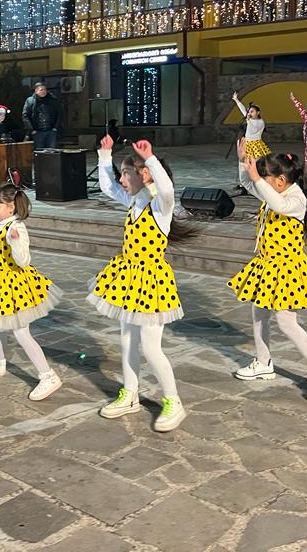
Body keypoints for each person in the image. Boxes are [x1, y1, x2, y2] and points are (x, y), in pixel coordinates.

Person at [88, 136, 186, 433]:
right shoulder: (135, 201)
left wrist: (151, 159)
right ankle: (130, 394)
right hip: (129, 278)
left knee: (151, 347)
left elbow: (167, 190)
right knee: (127, 339)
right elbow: (107, 187)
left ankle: (173, 401)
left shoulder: (160, 207)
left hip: (152, 283)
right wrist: (105, 155)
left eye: (126, 173)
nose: (121, 179)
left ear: (144, 175)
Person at [229, 142, 307, 401]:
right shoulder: (274, 191)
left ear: (280, 180)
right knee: (258, 313)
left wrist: (258, 181)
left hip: (287, 269)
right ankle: (263, 362)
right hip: (268, 265)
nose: (261, 183)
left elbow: (278, 204)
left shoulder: (295, 199)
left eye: (265, 178)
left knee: (287, 322)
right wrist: (243, 162)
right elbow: (248, 184)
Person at [0, 183, 62, 401]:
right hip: (2, 283)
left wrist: (14, 241)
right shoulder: (3, 226)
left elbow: (23, 260)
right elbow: (2, 257)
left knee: (21, 331)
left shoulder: (16, 228)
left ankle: (48, 375)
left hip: (15, 286)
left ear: (11, 207)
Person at [23, 82, 61, 149]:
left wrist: (55, 127)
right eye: (41, 90)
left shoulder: (52, 100)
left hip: (51, 131)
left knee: (51, 151)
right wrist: (32, 129)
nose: (43, 91)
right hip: (37, 131)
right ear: (36, 91)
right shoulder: (30, 101)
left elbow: (59, 113)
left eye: (45, 89)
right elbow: (25, 116)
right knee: (39, 151)